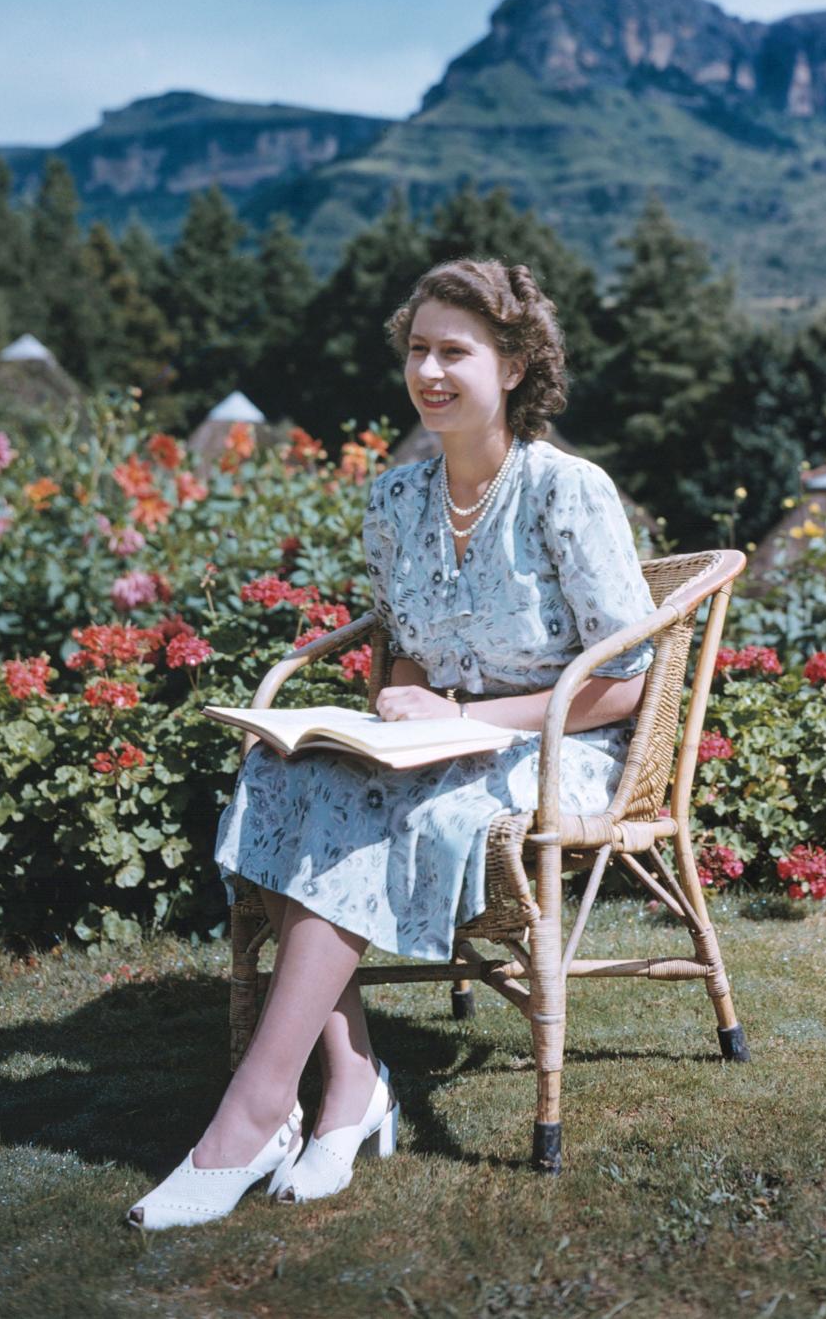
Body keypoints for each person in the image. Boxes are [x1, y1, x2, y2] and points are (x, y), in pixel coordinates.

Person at [128, 259, 656, 1230]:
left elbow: (622, 682)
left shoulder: (566, 490)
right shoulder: (395, 501)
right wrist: (399, 703)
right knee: (286, 773)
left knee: (371, 802)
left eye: (455, 350)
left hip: (556, 744)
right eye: (418, 349)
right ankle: (354, 1083)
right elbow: (405, 654)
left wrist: (462, 716)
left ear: (515, 363)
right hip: (441, 743)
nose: (430, 370)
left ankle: (250, 1117)